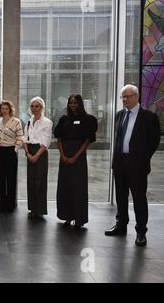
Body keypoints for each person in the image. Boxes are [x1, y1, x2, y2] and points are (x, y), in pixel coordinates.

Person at [105, 84, 161, 247]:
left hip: (138, 166)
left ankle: (141, 232)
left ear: (137, 96)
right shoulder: (119, 115)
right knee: (121, 198)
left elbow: (154, 141)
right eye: (123, 97)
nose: (125, 99)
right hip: (120, 163)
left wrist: (142, 158)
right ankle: (121, 226)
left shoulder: (149, 117)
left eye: (128, 96)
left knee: (139, 199)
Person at [54, 94, 98, 228]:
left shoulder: (88, 119)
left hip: (78, 157)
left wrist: (75, 156)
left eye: (75, 103)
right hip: (65, 156)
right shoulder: (64, 119)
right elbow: (59, 138)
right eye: (70, 103)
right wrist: (62, 155)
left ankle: (79, 218)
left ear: (80, 104)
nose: (73, 105)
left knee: (78, 187)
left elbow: (87, 141)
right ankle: (67, 216)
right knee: (65, 186)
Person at [23, 97, 52, 219]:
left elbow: (46, 142)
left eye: (37, 106)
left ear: (41, 107)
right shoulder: (29, 121)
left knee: (40, 181)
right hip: (30, 151)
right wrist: (28, 153)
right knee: (31, 181)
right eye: (32, 106)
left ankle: (39, 209)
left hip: (40, 152)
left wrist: (36, 155)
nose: (34, 108)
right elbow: (25, 138)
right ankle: (32, 208)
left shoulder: (47, 122)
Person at [0, 100, 24, 212]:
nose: (4, 110)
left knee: (11, 178)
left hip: (10, 151)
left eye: (6, 108)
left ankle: (11, 204)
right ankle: (1, 204)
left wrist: (15, 149)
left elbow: (20, 137)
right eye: (2, 108)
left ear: (10, 109)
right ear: (0, 110)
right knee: (0, 178)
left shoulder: (16, 121)